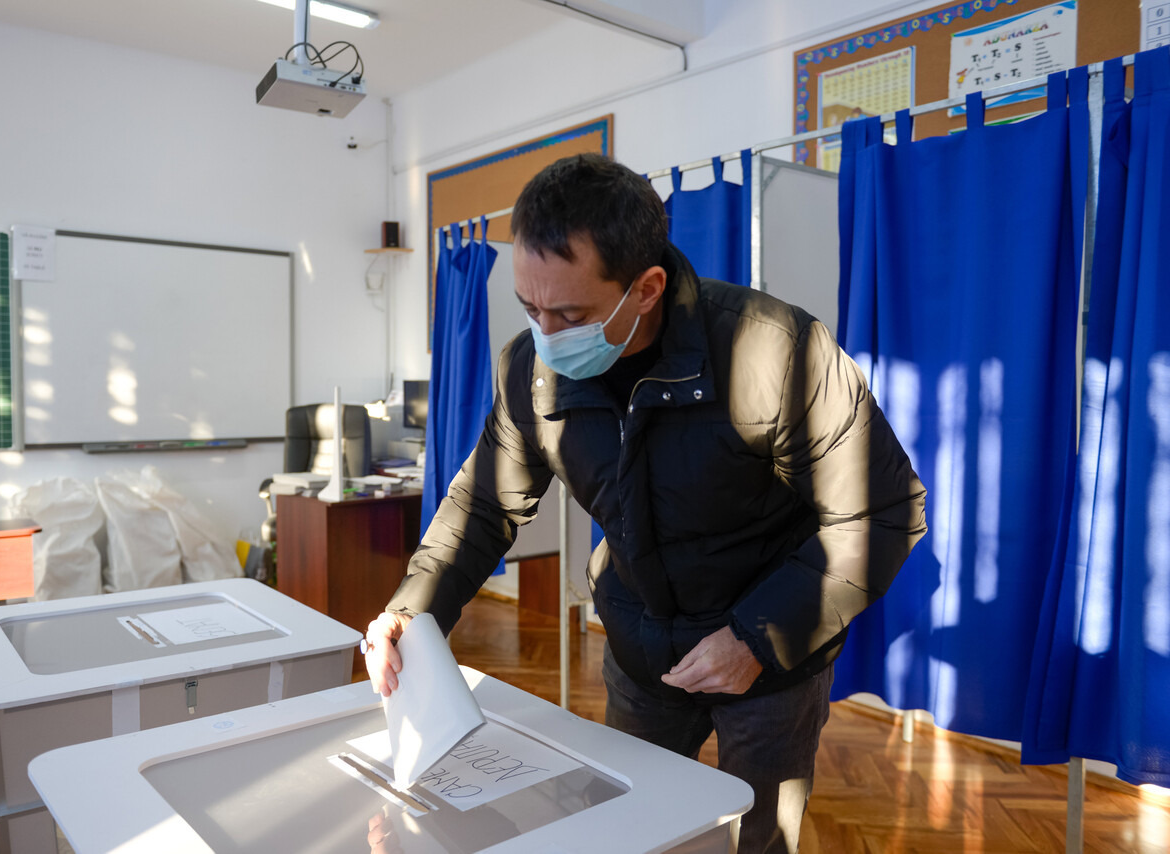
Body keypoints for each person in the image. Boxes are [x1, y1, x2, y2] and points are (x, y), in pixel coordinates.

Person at [365, 153, 927, 853]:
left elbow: (881, 511)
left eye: (570, 314)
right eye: (530, 309)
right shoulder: (530, 371)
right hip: (641, 651)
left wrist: (757, 639)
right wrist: (412, 611)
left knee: (759, 839)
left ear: (647, 288)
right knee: (628, 831)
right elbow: (482, 508)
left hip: (770, 662)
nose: (546, 334)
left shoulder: (774, 354)